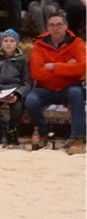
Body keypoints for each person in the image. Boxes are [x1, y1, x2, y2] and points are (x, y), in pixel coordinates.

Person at [24, 11, 85, 154]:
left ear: (66, 25)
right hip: (45, 88)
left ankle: (78, 139)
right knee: (31, 100)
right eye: (52, 25)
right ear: (47, 27)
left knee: (77, 94)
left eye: (59, 24)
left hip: (70, 87)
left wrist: (54, 66)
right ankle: (43, 133)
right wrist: (68, 67)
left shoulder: (77, 43)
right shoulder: (39, 44)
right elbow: (36, 72)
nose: (55, 28)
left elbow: (81, 68)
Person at [0, 29, 31, 148]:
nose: (8, 43)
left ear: (17, 43)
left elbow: (27, 83)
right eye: (5, 40)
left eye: (12, 41)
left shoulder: (23, 60)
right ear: (1, 43)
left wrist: (18, 94)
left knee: (18, 107)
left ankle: (11, 131)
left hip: (14, 91)